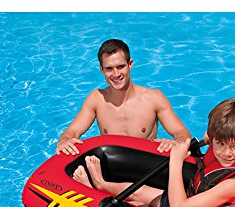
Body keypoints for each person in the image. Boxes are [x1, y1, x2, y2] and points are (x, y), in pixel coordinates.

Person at [73, 98, 235, 207]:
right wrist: (186, 144)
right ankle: (101, 184)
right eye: (220, 144)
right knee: (139, 190)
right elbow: (209, 136)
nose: (227, 153)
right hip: (195, 196)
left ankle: (94, 194)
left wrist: (176, 161)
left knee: (140, 206)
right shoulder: (222, 139)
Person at [56, 39, 190, 156]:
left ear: (130, 64)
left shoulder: (153, 98)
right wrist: (64, 141)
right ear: (102, 70)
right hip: (112, 165)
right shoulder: (97, 99)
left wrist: (177, 142)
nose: (116, 74)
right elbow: (72, 131)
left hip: (147, 166)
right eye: (109, 69)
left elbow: (182, 132)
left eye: (120, 67)